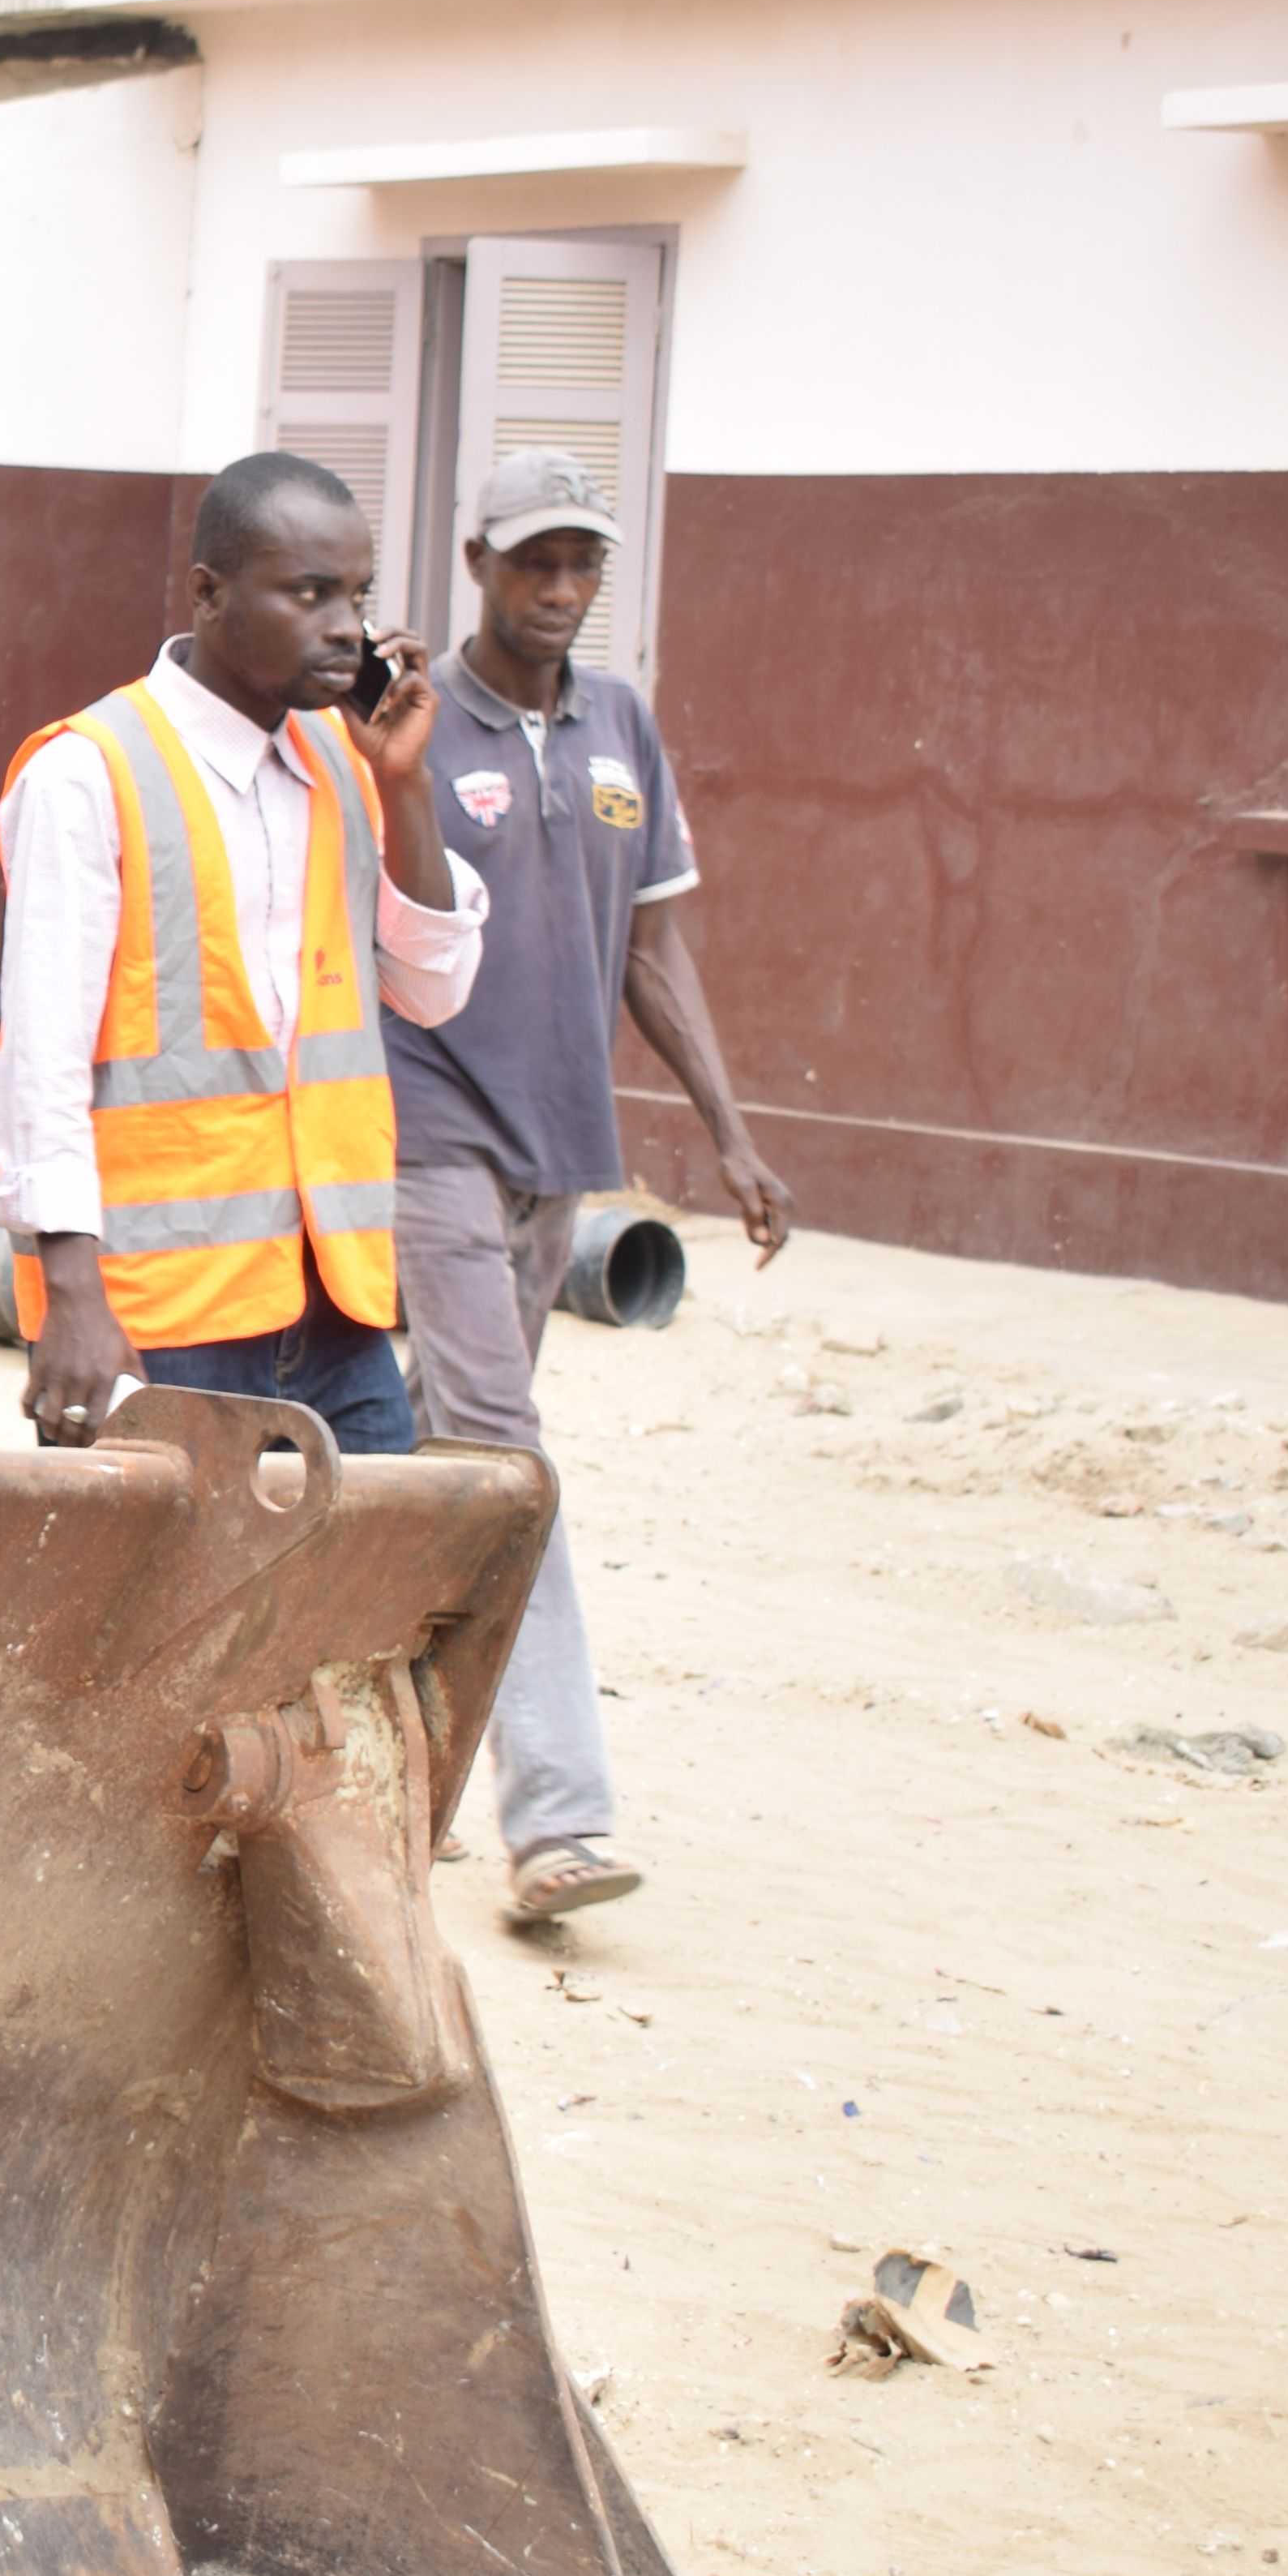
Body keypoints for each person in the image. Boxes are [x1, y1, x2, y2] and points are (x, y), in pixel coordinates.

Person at [388, 448, 791, 1927]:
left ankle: (387, 1763)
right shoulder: (419, 722)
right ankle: (559, 1819)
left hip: (563, 1147)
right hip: (426, 1131)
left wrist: (730, 1137)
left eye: (583, 567)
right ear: (479, 561)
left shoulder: (622, 726)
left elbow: (652, 951)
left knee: (445, 1474)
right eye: (533, 563)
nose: (560, 592)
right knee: (505, 1454)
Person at [0, 450, 487, 1461]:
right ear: (209, 595)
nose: (347, 627)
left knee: (363, 1614)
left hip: (336, 1309)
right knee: (169, 1623)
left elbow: (435, 988)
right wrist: (71, 1301)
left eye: (357, 594)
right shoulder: (90, 774)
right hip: (159, 1320)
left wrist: (408, 788)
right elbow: (40, 1061)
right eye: (309, 593)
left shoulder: (351, 764)